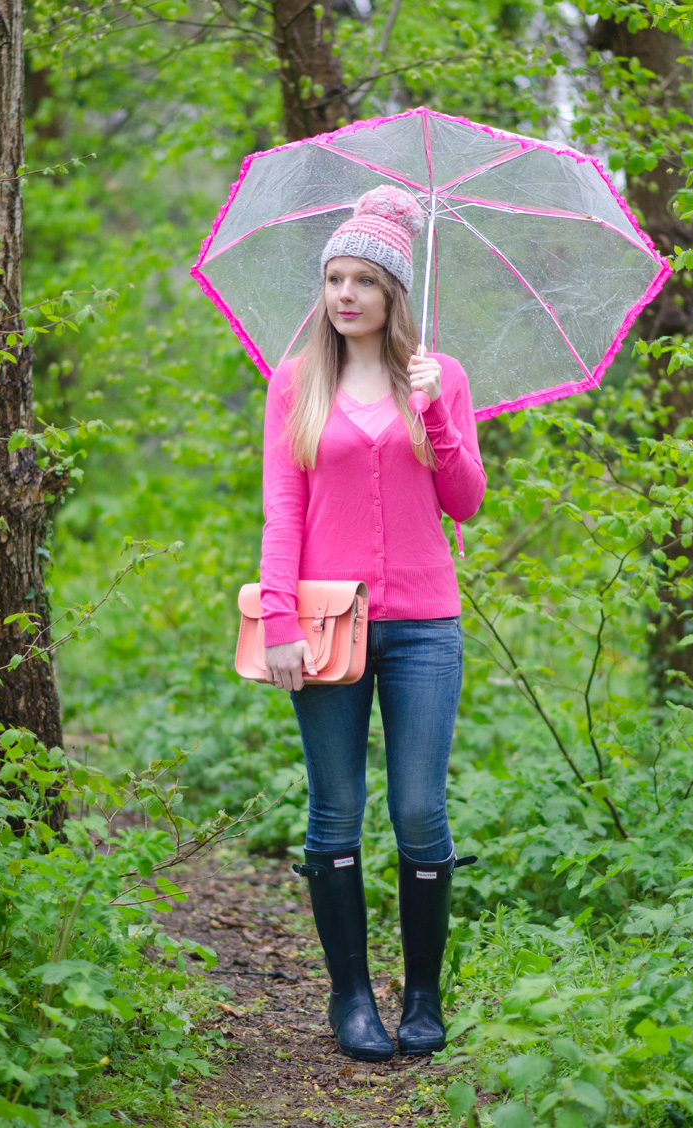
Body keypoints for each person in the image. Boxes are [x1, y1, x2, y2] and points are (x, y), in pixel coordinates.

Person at [259, 185, 485, 1062]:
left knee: (421, 811)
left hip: (426, 625)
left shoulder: (441, 375)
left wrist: (432, 410)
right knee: (335, 811)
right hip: (324, 624)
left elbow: (463, 503)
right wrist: (277, 616)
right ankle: (351, 998)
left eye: (363, 280)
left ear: (395, 293)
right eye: (333, 278)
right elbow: (283, 510)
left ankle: (421, 998)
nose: (344, 294)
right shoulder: (295, 383)